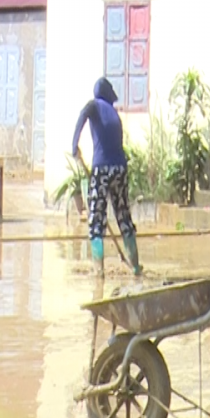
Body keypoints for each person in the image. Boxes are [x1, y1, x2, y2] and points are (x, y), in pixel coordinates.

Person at [72, 77, 141, 277]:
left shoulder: (94, 105)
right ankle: (135, 265)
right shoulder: (113, 113)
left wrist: (74, 144)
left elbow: (82, 114)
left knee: (96, 220)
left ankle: (98, 271)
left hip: (102, 169)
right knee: (123, 216)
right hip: (120, 168)